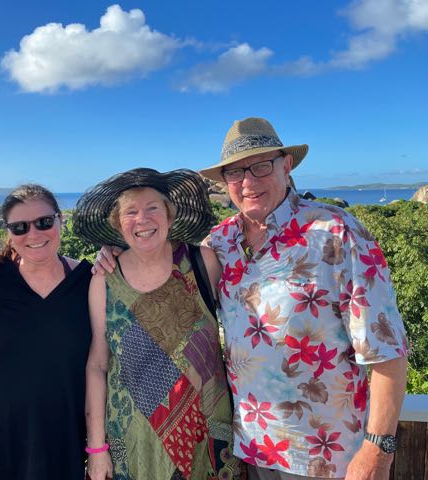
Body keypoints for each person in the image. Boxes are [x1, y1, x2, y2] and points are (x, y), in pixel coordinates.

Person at [95, 119, 409, 480]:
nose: (248, 181)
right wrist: (119, 251)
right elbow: (161, 263)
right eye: (235, 172)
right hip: (247, 452)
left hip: (328, 458)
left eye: (261, 166)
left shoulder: (335, 233)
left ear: (286, 165)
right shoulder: (220, 243)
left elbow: (387, 349)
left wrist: (377, 451)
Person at [75, 168, 243, 480]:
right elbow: (98, 364)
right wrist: (97, 449)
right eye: (131, 211)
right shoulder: (104, 280)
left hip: (209, 436)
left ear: (169, 214)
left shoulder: (202, 262)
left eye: (153, 207)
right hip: (132, 442)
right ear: (118, 223)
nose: (143, 219)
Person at [0, 184, 93, 479]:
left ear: (60, 220)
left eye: (44, 222)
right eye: (20, 228)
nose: (34, 235)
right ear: (9, 233)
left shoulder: (89, 280)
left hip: (62, 428)